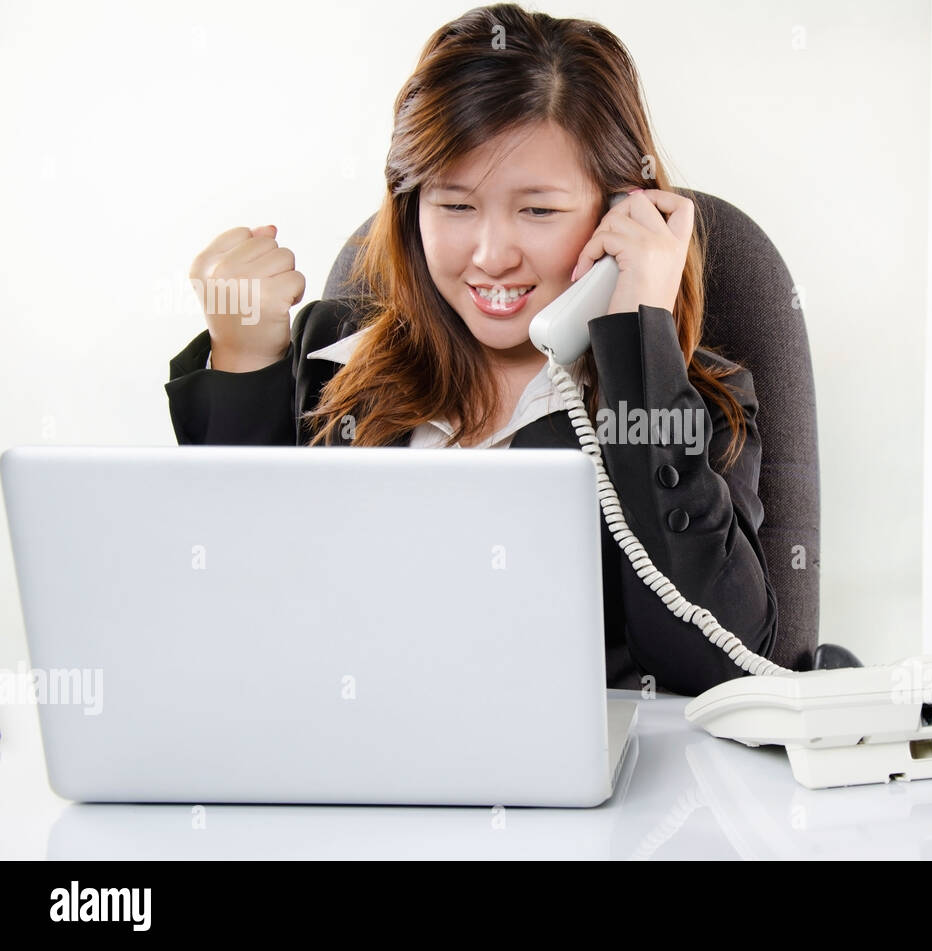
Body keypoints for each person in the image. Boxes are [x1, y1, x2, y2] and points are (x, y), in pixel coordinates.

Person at [166, 2, 779, 696]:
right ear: (410, 207)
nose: (491, 256)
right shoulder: (330, 364)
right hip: (351, 778)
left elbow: (718, 667)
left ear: (620, 212)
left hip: (590, 797)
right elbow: (237, 623)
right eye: (455, 206)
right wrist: (246, 360)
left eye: (538, 210)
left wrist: (638, 347)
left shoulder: (685, 406)